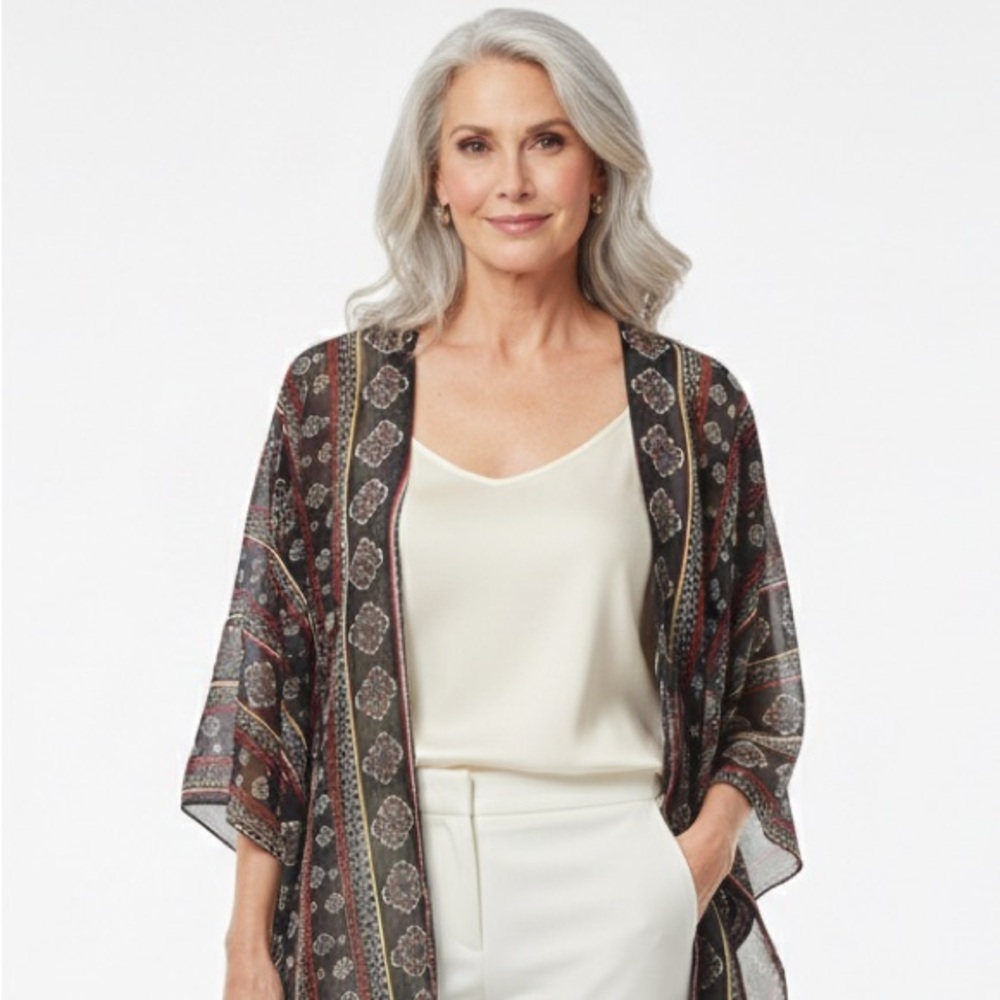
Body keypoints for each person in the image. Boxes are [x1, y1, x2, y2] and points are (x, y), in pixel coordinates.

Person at [180, 9, 805, 1000]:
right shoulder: (334, 398)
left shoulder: (691, 407)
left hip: (616, 884)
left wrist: (694, 859)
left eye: (546, 141)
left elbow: (759, 687)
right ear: (435, 177)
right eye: (475, 145)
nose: (511, 181)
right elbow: (272, 679)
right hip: (378, 882)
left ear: (597, 170)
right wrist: (245, 942)